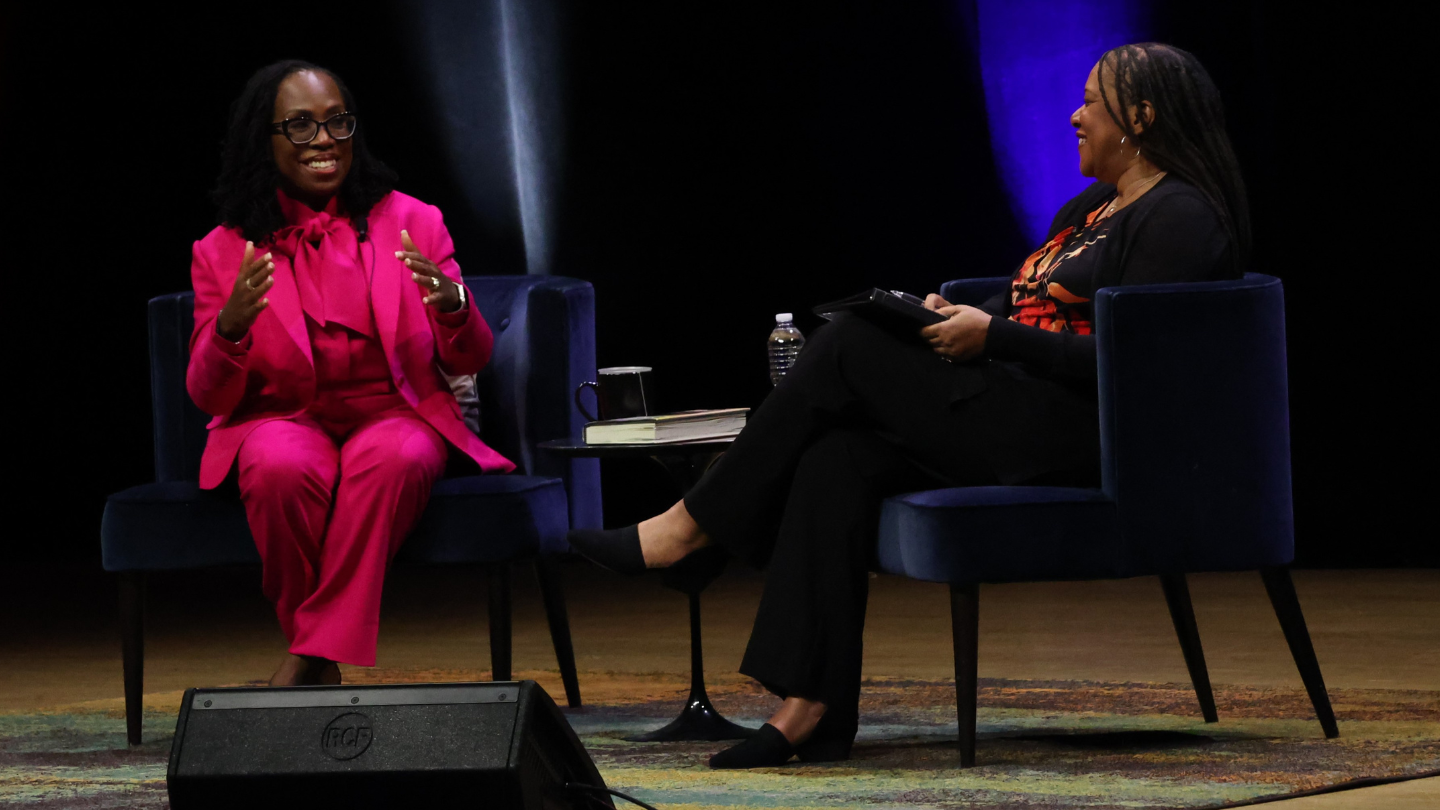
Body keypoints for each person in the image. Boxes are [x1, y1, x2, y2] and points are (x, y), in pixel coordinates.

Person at [568, 42, 1250, 768]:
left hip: (1078, 433)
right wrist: (951, 310)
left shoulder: (1180, 218)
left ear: (1140, 117)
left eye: (1093, 102)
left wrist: (994, 338)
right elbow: (1028, 299)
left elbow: (1134, 363)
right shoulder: (1092, 208)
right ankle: (812, 708)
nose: (1076, 116)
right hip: (1019, 406)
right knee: (840, 457)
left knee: (852, 343)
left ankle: (691, 527)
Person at [187, 60, 515, 687]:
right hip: (283, 416)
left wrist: (455, 306)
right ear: (266, 138)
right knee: (278, 466)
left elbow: (469, 358)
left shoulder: (414, 222)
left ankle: (306, 659)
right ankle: (317, 654)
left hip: (396, 410)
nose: (326, 140)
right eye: (302, 126)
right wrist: (228, 328)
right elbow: (207, 393)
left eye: (337, 121)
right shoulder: (223, 249)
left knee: (394, 458)